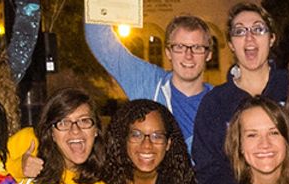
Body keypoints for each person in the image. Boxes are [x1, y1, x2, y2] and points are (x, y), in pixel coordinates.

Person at [83, 5, 213, 142]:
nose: (188, 55)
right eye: (179, 47)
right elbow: (101, 42)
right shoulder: (148, 83)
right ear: (168, 52)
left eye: (197, 48)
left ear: (209, 54)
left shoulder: (223, 102)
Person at [191, 3, 288, 176]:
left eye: (258, 29)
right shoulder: (215, 102)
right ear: (231, 44)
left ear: (271, 38)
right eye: (240, 32)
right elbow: (206, 166)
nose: (249, 38)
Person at [19, 90, 112, 184]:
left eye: (84, 121)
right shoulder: (28, 141)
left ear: (96, 130)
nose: (75, 130)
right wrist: (18, 166)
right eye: (63, 122)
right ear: (51, 133)